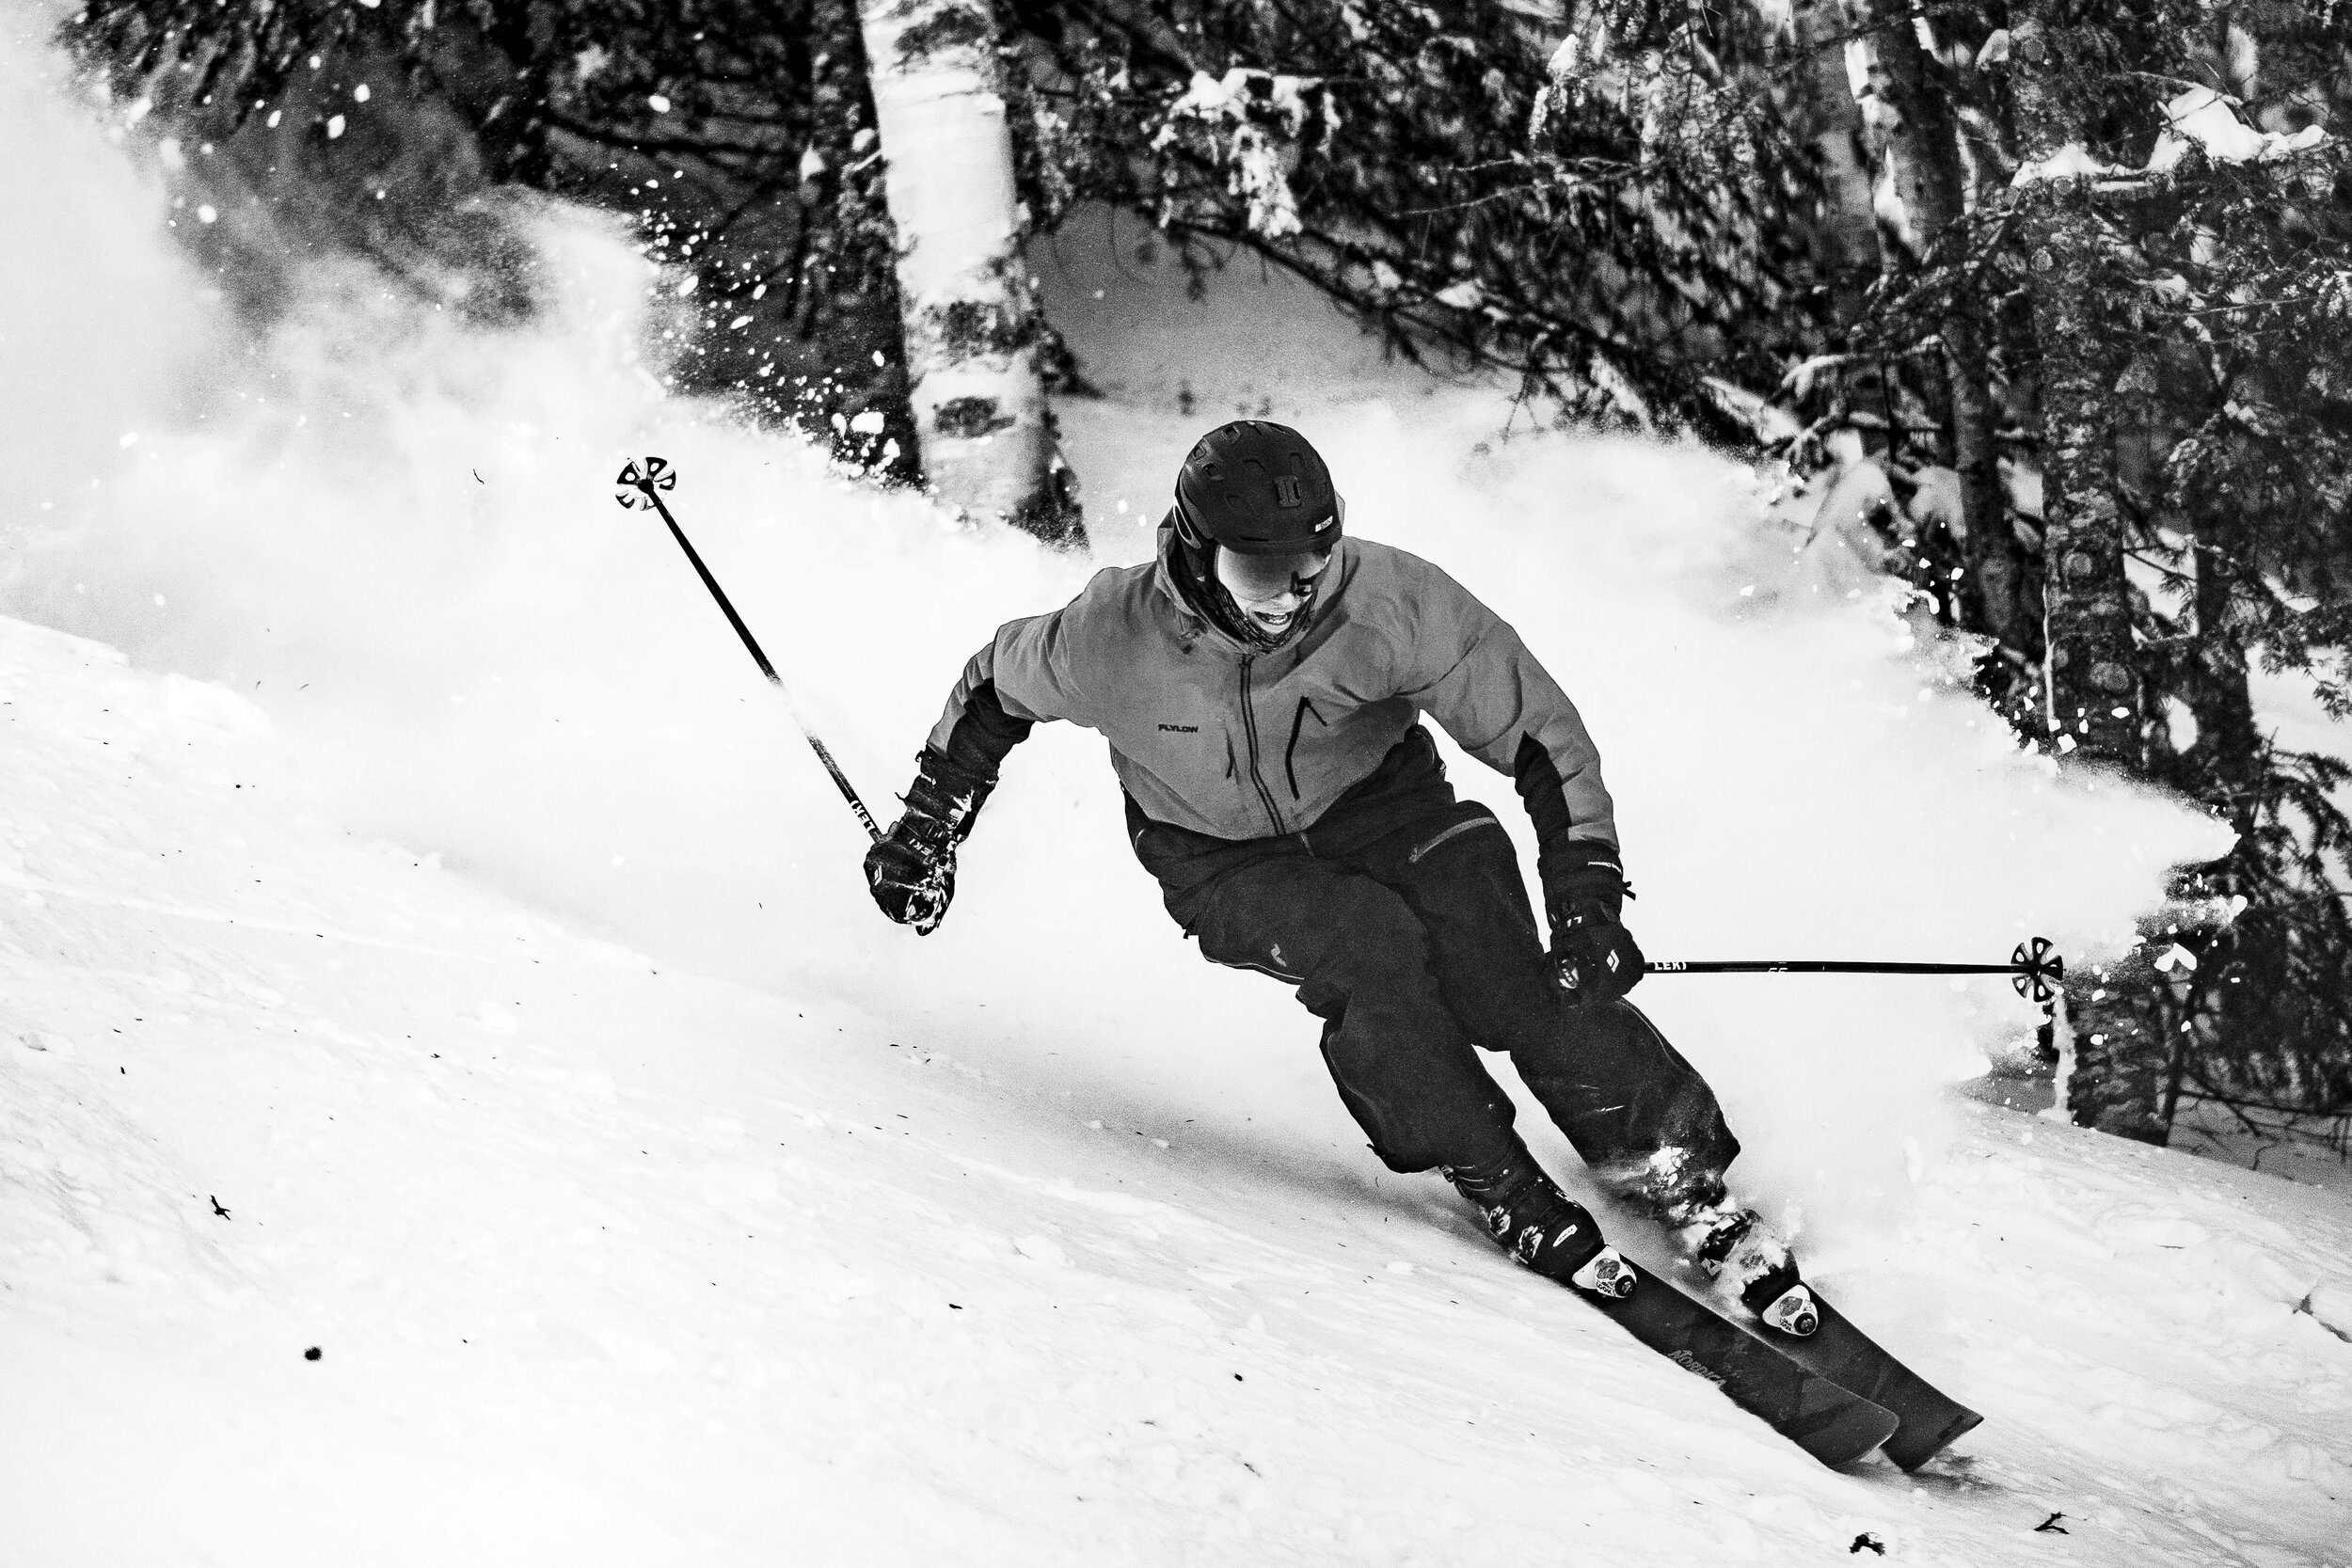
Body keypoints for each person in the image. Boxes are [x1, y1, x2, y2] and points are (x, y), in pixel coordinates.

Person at [864, 420, 1816, 1334]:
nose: (1290, 598)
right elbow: (992, 686)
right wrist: (926, 829)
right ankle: (1495, 1175)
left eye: (1309, 566)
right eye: (1260, 572)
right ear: (1195, 556)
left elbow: (1540, 734)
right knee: (1369, 949)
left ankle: (1673, 1165)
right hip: (1221, 858)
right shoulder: (1111, 635)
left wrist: (1586, 894)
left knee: (1508, 969)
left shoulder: (1386, 600)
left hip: (1385, 807)